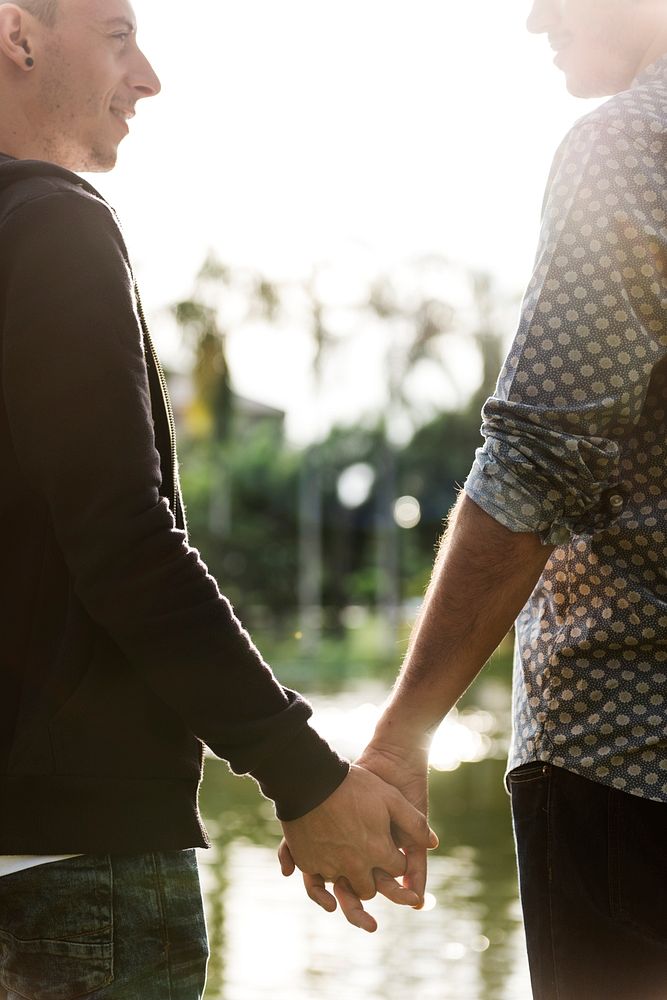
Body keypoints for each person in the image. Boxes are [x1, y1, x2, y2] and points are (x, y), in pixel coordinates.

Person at [0, 0, 437, 996]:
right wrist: (304, 775)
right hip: (76, 876)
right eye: (118, 37)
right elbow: (123, 542)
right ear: (19, 34)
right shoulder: (54, 225)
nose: (147, 77)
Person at [285, 1, 667, 996]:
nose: (535, 16)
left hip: (631, 765)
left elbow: (537, 461)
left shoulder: (630, 145)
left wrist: (403, 731)